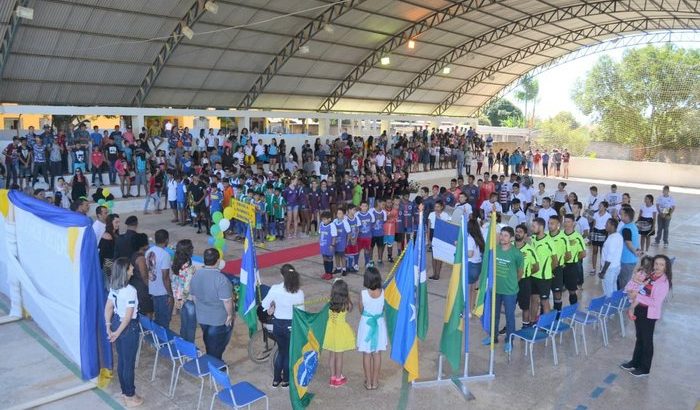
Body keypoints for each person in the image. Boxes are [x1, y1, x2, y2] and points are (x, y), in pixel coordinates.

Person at [619, 254, 671, 377]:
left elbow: (655, 302)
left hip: (649, 313)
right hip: (640, 309)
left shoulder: (663, 283)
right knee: (639, 338)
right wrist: (633, 304)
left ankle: (644, 368)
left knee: (647, 340)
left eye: (661, 265)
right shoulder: (651, 275)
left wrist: (637, 296)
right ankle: (635, 362)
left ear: (666, 267)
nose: (658, 267)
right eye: (656, 264)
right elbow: (640, 288)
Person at [104, 257, 144, 407]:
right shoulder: (130, 291)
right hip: (127, 328)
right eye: (130, 267)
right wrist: (118, 332)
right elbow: (127, 317)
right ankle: (130, 395)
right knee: (128, 363)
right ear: (125, 271)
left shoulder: (113, 286)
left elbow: (108, 308)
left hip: (116, 323)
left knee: (122, 361)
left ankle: (125, 391)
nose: (133, 268)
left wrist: (109, 327)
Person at [261, 264, 305, 388]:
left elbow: (264, 305)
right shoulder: (299, 292)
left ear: (281, 275)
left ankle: (276, 380)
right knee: (287, 353)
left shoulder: (275, 289)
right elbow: (301, 312)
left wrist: (273, 305)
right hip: (291, 325)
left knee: (281, 351)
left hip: (278, 325)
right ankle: (285, 380)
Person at [482, 226, 523, 353]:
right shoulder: (495, 250)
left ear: (511, 238)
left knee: (510, 316)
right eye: (501, 235)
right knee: (494, 315)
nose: (502, 237)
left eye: (505, 235)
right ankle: (493, 337)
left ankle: (509, 341)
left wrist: (512, 282)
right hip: (495, 289)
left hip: (510, 291)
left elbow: (520, 272)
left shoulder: (517, 253)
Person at [188, 248, 233, 360]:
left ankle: (212, 360)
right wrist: (230, 315)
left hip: (202, 316)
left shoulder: (196, 274)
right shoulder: (221, 279)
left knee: (208, 340)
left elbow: (193, 296)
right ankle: (215, 366)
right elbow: (227, 301)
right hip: (217, 319)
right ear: (217, 261)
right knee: (217, 346)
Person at [357, 267, 387, 390]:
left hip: (366, 324)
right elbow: (384, 308)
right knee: (377, 353)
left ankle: (368, 382)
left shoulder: (363, 294)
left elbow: (361, 310)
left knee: (367, 353)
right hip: (379, 324)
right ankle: (375, 382)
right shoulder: (383, 292)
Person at [323, 279, 355, 387]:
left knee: (331, 355)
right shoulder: (346, 304)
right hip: (340, 332)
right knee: (339, 356)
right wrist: (347, 297)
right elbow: (351, 307)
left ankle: (332, 377)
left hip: (331, 331)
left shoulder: (330, 302)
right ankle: (338, 378)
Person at [146, 229, 173, 328]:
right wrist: (170, 294)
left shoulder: (149, 251)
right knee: (164, 320)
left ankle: (158, 341)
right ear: (166, 240)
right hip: (162, 292)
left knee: (157, 318)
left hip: (152, 289)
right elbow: (165, 276)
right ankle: (163, 342)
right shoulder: (165, 255)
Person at [171, 240, 197, 342]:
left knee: (184, 324)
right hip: (188, 300)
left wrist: (177, 298)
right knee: (190, 326)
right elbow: (187, 286)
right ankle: (189, 350)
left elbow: (174, 282)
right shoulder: (190, 268)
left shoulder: (176, 263)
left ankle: (183, 347)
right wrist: (183, 300)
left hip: (179, 298)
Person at [530, 217, 556, 315]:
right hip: (533, 276)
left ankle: (546, 326)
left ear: (541, 227)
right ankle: (533, 322)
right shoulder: (532, 239)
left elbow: (555, 261)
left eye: (534, 226)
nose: (532, 228)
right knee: (534, 300)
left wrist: (548, 270)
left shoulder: (549, 241)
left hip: (544, 278)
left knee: (544, 302)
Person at [562, 214, 586, 305]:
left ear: (573, 223)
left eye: (568, 222)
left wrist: (573, 259)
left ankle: (573, 310)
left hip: (572, 266)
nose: (566, 224)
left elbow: (583, 254)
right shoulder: (560, 235)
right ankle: (558, 312)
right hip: (560, 266)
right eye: (565, 221)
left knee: (572, 291)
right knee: (558, 291)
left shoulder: (577, 237)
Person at [129, 233, 153, 316]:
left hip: (135, 285)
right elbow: (145, 276)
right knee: (147, 312)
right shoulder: (141, 259)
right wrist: (152, 289)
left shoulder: (134, 255)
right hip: (142, 289)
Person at [618, 207, 641, 291]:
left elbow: (628, 243)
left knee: (624, 283)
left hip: (626, 260)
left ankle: (623, 301)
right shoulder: (633, 226)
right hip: (631, 260)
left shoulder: (626, 228)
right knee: (626, 281)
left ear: (627, 216)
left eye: (622, 214)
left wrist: (635, 252)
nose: (620, 216)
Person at [599, 218, 623, 297]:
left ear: (612, 226)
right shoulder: (618, 236)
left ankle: (608, 307)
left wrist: (603, 271)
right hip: (616, 266)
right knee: (613, 287)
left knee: (608, 290)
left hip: (609, 268)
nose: (605, 225)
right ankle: (614, 306)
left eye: (607, 224)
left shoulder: (612, 239)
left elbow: (609, 257)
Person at [428, 200, 450, 280]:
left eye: (438, 207)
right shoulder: (431, 214)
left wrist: (439, 218)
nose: (436, 208)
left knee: (439, 256)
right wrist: (428, 239)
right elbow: (429, 227)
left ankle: (438, 274)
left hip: (441, 234)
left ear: (441, 207)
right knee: (434, 256)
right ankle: (434, 273)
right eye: (435, 207)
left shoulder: (445, 215)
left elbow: (446, 226)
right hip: (433, 233)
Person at [467, 217, 485, 312]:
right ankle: (471, 309)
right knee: (473, 290)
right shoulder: (479, 237)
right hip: (478, 266)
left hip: (471, 266)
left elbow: (470, 254)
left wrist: (459, 248)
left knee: (467, 290)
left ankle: (467, 310)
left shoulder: (469, 238)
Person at [589, 201, 611, 275]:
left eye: (601, 206)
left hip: (603, 232)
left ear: (605, 207)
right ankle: (593, 268)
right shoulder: (595, 214)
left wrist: (608, 236)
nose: (599, 207)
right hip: (595, 232)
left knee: (602, 252)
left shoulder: (608, 215)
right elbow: (594, 223)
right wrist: (591, 232)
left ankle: (601, 269)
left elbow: (609, 226)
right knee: (594, 251)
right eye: (599, 205)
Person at [99, 213, 120, 281]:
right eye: (116, 222)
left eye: (119, 222)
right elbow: (103, 254)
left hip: (114, 263)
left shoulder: (115, 234)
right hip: (108, 263)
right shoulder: (107, 236)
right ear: (110, 223)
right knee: (110, 284)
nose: (118, 224)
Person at [319, 211, 338, 280]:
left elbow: (334, 236)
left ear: (329, 219)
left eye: (324, 219)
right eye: (322, 219)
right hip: (323, 245)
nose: (323, 221)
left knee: (329, 259)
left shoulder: (332, 225)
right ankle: (326, 272)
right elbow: (320, 234)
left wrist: (332, 245)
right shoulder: (321, 224)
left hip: (329, 246)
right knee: (324, 258)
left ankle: (330, 273)